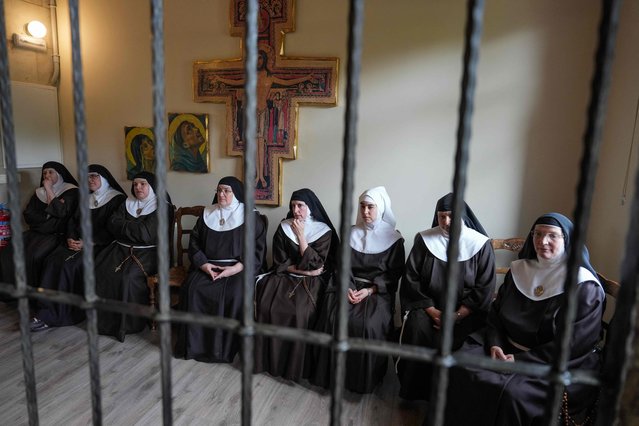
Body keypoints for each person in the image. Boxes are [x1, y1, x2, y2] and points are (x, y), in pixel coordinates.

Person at [443, 213, 605, 426]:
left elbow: (574, 344)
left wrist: (519, 361)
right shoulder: (519, 270)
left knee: (511, 394)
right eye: (537, 234)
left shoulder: (584, 286)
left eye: (552, 236)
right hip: (503, 347)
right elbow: (496, 315)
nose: (542, 241)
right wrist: (495, 345)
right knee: (458, 366)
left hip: (553, 362)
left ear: (568, 241)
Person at [396, 192, 496, 400]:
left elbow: (484, 288)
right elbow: (411, 279)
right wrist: (432, 311)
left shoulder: (480, 244)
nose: (446, 221)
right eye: (442, 216)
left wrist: (456, 316)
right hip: (427, 306)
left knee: (463, 340)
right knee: (416, 329)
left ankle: (451, 399)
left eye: (451, 216)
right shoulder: (424, 240)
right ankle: (415, 392)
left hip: (467, 311)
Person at [312, 186, 405, 393]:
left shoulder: (394, 239)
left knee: (370, 324)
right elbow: (340, 266)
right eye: (362, 206)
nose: (365, 212)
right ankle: (331, 376)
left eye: (370, 207)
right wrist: (347, 286)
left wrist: (370, 290)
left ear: (380, 209)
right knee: (331, 316)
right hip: (348, 285)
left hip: (376, 291)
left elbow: (394, 274)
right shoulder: (351, 234)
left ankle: (361, 381)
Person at [174, 176, 267, 362]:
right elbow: (194, 243)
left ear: (236, 193)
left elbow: (257, 249)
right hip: (208, 265)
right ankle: (194, 346)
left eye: (226, 191)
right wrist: (204, 264)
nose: (221, 194)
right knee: (192, 290)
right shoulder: (207, 214)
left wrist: (234, 269)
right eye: (219, 190)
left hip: (238, 269)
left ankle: (223, 350)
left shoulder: (250, 216)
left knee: (235, 294)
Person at [254, 188, 338, 382]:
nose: (296, 210)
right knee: (268, 305)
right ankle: (268, 362)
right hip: (286, 276)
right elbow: (279, 262)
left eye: (300, 206)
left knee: (301, 312)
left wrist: (301, 236)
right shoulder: (283, 227)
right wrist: (304, 271)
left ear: (310, 208)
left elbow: (318, 264)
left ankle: (294, 369)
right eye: (293, 206)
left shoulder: (323, 231)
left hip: (313, 282)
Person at [30, 164, 127, 331]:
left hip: (100, 246)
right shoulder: (85, 198)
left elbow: (113, 230)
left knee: (70, 266)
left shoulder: (117, 199)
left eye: (94, 176)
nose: (90, 180)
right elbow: (72, 222)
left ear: (103, 178)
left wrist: (89, 243)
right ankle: (45, 310)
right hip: (76, 243)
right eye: (87, 177)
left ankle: (66, 313)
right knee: (51, 261)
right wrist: (70, 238)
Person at [94, 171, 172, 341]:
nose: (138, 187)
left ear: (152, 187)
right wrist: (134, 227)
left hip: (149, 252)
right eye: (135, 184)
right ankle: (105, 322)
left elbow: (145, 234)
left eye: (142, 184)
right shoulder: (126, 202)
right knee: (102, 271)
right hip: (120, 249)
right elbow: (110, 224)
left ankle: (130, 323)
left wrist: (124, 227)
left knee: (127, 277)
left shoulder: (162, 206)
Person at [0, 161, 79, 294]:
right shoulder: (38, 192)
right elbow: (28, 214)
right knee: (8, 251)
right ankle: (11, 293)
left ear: (59, 175)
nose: (47, 175)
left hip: (56, 235)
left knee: (34, 256)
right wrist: (48, 216)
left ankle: (33, 295)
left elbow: (61, 213)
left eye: (51, 172)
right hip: (35, 233)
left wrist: (49, 189)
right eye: (44, 173)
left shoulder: (71, 191)